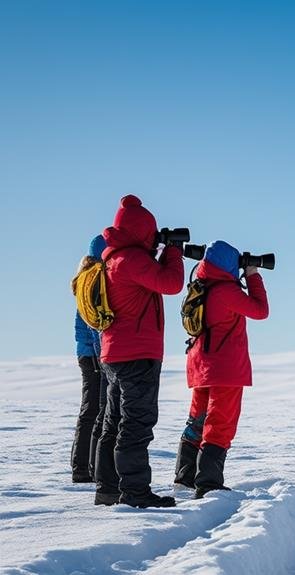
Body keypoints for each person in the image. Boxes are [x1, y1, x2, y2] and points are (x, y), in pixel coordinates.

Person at [93, 195, 184, 508]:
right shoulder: (131, 259)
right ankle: (135, 492)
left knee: (114, 422)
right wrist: (173, 251)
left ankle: (107, 489)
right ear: (142, 230)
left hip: (115, 354)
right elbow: (171, 283)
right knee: (136, 423)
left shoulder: (115, 259)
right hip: (137, 355)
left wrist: (159, 250)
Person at [174, 240, 268, 498]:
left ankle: (185, 477)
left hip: (201, 365)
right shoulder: (226, 291)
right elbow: (261, 311)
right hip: (225, 367)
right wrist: (253, 276)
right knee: (220, 422)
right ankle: (208, 482)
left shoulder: (201, 286)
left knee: (197, 419)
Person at [70, 235, 110, 483]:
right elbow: (94, 323)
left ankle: (82, 466)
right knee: (97, 410)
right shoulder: (98, 277)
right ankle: (89, 468)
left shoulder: (85, 277)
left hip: (86, 353)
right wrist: (101, 355)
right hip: (95, 353)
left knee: (90, 409)